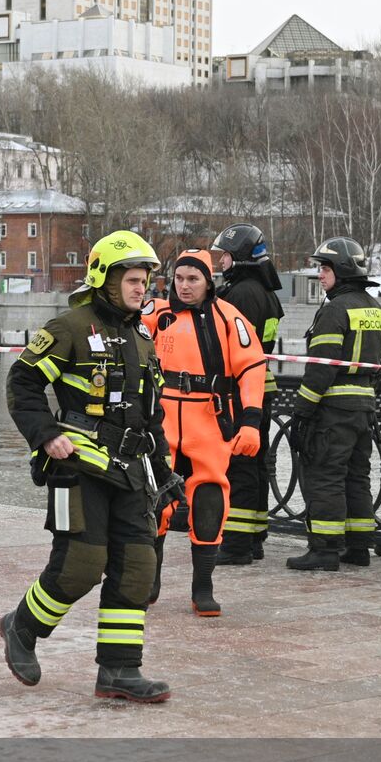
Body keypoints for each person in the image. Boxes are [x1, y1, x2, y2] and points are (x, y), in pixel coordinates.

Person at [0, 230, 177, 703]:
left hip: (133, 471)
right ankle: (22, 626)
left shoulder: (143, 338)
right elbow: (23, 384)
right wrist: (46, 435)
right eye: (134, 280)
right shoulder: (70, 327)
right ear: (105, 278)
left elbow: (150, 415)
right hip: (79, 466)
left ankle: (119, 671)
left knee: (138, 567)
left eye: (145, 282)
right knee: (81, 564)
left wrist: (164, 470)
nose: (143, 290)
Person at [143, 249, 265, 616]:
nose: (184, 286)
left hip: (209, 418)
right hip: (162, 417)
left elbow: (252, 369)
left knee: (209, 499)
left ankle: (203, 587)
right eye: (179, 278)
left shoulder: (230, 318)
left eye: (192, 279)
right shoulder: (154, 313)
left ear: (208, 281)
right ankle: (150, 580)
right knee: (156, 501)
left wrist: (251, 422)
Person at [286, 237, 381, 571]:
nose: (320, 275)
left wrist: (302, 411)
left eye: (324, 268)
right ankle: (359, 546)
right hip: (365, 408)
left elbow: (320, 368)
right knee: (357, 476)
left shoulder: (335, 309)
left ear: (341, 271)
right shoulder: (376, 308)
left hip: (332, 409)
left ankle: (325, 550)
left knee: (325, 474)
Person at [211, 223, 286, 565]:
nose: (220, 262)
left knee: (238, 463)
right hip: (260, 387)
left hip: (239, 390)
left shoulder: (240, 294)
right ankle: (254, 535)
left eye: (224, 256)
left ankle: (237, 543)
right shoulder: (266, 292)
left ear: (238, 257)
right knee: (255, 464)